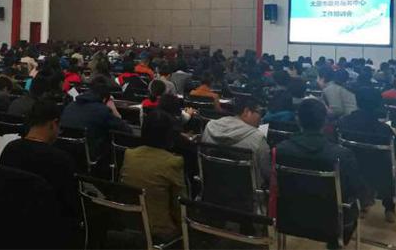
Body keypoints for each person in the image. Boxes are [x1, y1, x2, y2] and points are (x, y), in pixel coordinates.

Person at [277, 98, 363, 247]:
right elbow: (354, 188)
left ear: (298, 120)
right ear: (325, 121)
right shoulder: (342, 155)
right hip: (333, 223)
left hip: (289, 218)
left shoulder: (280, 149)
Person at [0, 99, 80, 244]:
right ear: (53, 124)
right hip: (47, 232)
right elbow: (70, 207)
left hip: (9, 226)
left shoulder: (10, 149)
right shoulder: (62, 160)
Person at [338, 88, 396, 222]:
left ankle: (362, 202)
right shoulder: (384, 130)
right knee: (389, 171)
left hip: (350, 173)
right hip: (380, 178)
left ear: (357, 101)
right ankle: (389, 208)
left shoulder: (343, 123)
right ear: (377, 105)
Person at [120, 110, 186, 241]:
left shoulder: (129, 154)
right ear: (169, 135)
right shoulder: (173, 162)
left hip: (130, 223)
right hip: (160, 230)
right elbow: (180, 206)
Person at [202, 97, 270, 187]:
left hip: (211, 187)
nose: (261, 118)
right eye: (260, 113)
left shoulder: (210, 126)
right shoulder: (258, 139)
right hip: (245, 193)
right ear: (246, 111)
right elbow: (267, 173)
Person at [60, 76, 132, 159]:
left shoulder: (70, 106)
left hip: (65, 154)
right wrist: (116, 113)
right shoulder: (103, 111)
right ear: (104, 99)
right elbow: (127, 132)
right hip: (90, 156)